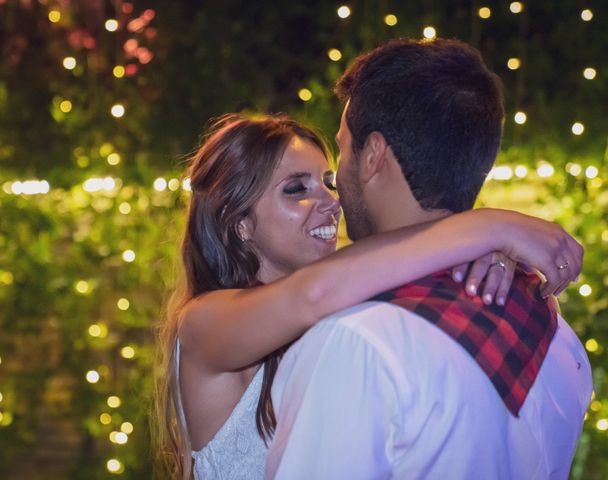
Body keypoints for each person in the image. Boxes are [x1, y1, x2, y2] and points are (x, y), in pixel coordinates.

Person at [153, 112, 582, 479]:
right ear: (239, 223)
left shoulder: (345, 306)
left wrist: (484, 256)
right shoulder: (203, 322)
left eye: (326, 181)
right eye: (296, 189)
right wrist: (488, 227)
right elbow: (315, 292)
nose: (330, 202)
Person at [265, 38, 591, 479]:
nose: (335, 179)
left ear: (374, 155)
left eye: (343, 149)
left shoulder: (358, 343)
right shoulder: (556, 329)